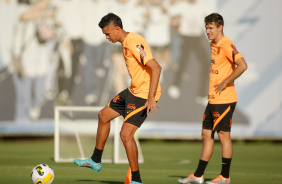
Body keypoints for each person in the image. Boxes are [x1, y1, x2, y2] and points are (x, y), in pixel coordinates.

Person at [73, 13, 162, 184]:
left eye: (108, 34)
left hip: (144, 95)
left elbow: (156, 67)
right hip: (133, 90)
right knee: (103, 115)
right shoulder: (126, 42)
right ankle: (95, 160)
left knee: (125, 135)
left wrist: (151, 98)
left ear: (117, 29)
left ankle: (136, 180)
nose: (106, 37)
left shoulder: (134, 42)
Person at [178, 13, 247, 184]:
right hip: (213, 99)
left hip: (224, 99)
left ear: (220, 27)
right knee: (206, 135)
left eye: (210, 28)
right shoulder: (213, 44)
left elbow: (242, 65)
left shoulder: (226, 44)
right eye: (206, 27)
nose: (207, 31)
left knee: (223, 136)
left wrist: (225, 82)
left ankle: (225, 176)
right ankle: (198, 175)